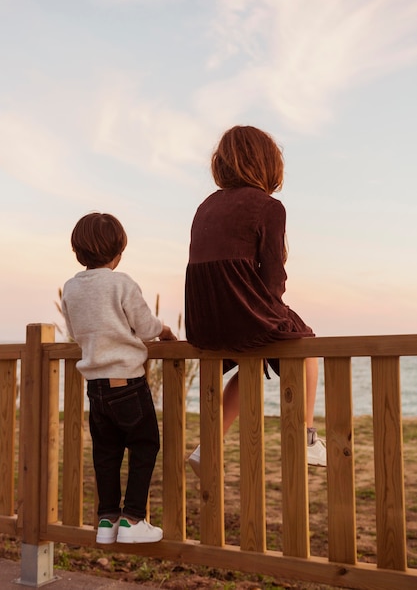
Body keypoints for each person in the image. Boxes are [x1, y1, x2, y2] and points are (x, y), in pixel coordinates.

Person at [185, 125, 326, 475]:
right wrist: (276, 314)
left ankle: (207, 447)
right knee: (307, 346)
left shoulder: (205, 207)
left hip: (203, 319)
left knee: (251, 366)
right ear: (268, 164)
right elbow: (273, 277)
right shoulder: (269, 207)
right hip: (243, 311)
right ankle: (306, 438)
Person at [62, 212, 177, 545]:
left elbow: (75, 332)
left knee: (106, 454)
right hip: (126, 384)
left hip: (95, 389)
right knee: (145, 446)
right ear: (118, 252)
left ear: (78, 252)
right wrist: (164, 330)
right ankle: (133, 519)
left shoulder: (71, 288)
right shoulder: (121, 282)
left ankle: (106, 520)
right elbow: (145, 327)